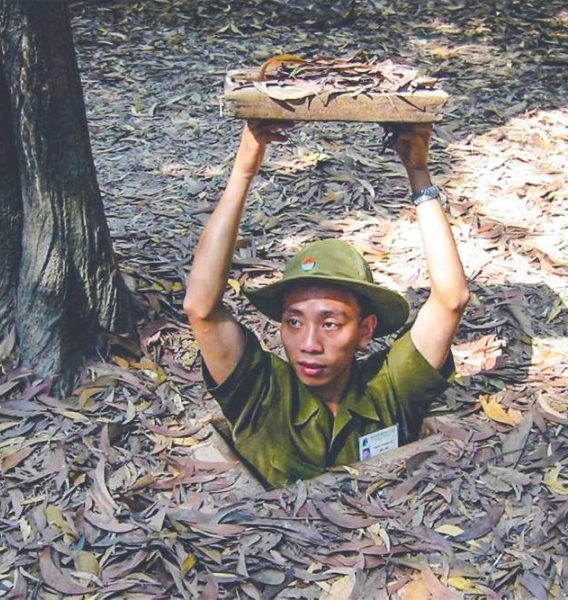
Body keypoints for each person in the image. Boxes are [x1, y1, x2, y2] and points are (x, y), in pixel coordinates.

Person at [183, 120, 469, 488]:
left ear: (365, 330)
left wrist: (419, 175)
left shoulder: (390, 388)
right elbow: (201, 307)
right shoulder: (260, 392)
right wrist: (243, 172)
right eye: (294, 322)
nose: (309, 344)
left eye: (330, 323)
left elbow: (450, 300)